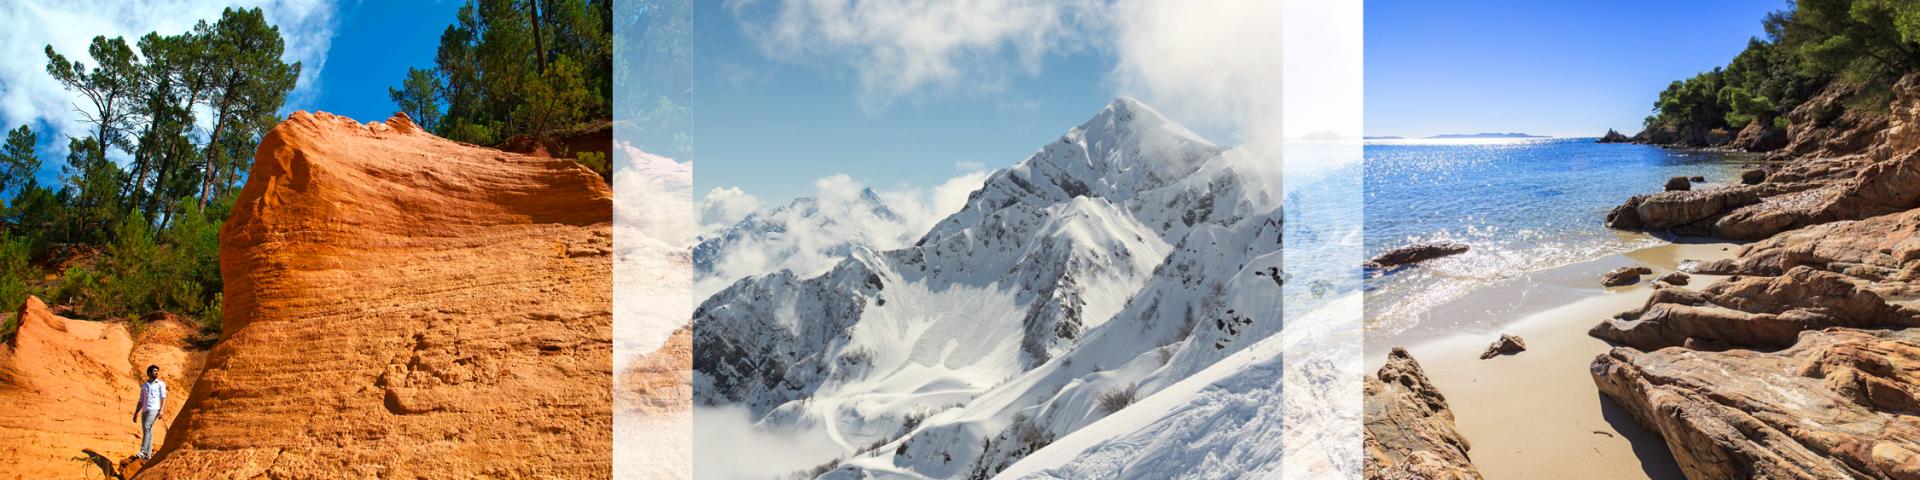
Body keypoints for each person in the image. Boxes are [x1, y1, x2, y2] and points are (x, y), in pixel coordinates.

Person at [131, 364, 166, 460]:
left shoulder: (160, 384)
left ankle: (143, 451)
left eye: (157, 371)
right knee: (148, 430)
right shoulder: (144, 386)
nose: (156, 372)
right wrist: (136, 413)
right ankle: (148, 455)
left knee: (147, 426)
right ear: (149, 373)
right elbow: (141, 401)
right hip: (144, 410)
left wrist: (162, 410)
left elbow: (163, 398)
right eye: (154, 371)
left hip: (154, 409)